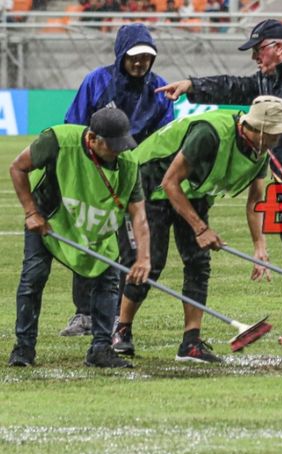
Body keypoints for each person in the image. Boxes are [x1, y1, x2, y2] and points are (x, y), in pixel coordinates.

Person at [156, 19, 282, 346]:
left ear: (278, 47)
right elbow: (236, 87)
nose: (255, 59)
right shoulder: (269, 80)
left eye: (258, 51)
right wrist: (193, 86)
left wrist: (279, 123)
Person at [111, 96, 282, 363]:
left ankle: (190, 343)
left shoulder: (259, 152)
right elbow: (170, 182)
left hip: (192, 191)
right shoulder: (209, 134)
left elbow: (256, 201)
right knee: (151, 261)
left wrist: (260, 247)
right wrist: (200, 228)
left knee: (198, 262)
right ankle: (121, 330)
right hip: (148, 183)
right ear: (258, 129)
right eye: (275, 134)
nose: (278, 140)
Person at [7, 108, 151, 368]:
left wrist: (143, 257)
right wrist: (30, 212)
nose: (119, 151)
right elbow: (17, 167)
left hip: (96, 229)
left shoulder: (128, 163)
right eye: (112, 145)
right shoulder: (58, 141)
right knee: (33, 279)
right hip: (49, 222)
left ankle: (100, 349)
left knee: (107, 284)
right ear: (93, 139)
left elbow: (138, 214)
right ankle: (23, 349)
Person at [60, 23, 174, 337]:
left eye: (146, 57)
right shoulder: (96, 81)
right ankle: (83, 313)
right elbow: (74, 126)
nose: (140, 63)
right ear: (121, 54)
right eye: (134, 56)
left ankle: (115, 315)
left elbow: (167, 137)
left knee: (130, 246)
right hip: (94, 174)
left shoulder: (160, 89)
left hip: (138, 177)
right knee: (90, 242)